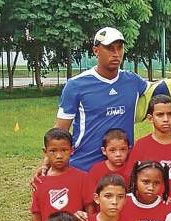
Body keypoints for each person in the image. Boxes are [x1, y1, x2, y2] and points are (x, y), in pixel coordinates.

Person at [56, 27, 149, 171]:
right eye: (110, 48)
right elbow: (60, 131)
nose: (116, 54)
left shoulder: (133, 81)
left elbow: (160, 92)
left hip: (122, 168)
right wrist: (48, 163)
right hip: (85, 167)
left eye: (120, 48)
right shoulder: (76, 85)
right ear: (96, 51)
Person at [31, 128, 94, 221]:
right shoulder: (40, 181)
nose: (59, 156)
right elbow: (36, 214)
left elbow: (90, 209)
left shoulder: (82, 178)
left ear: (72, 150)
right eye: (53, 151)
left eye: (64, 150)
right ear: (45, 152)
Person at [127, 94, 171, 208]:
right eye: (160, 115)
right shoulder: (142, 145)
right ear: (150, 118)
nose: (166, 119)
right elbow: (132, 180)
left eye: (169, 114)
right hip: (151, 208)